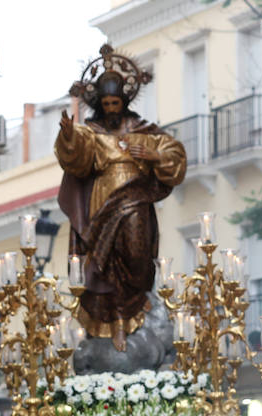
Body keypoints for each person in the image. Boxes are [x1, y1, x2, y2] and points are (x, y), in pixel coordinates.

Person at [55, 47, 187, 351]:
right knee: (105, 264)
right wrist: (67, 135)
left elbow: (176, 155)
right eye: (106, 104)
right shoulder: (92, 133)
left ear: (124, 101)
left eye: (116, 103)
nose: (111, 108)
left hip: (137, 200)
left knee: (138, 257)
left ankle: (138, 303)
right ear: (99, 104)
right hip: (102, 200)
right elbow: (75, 159)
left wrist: (154, 155)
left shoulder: (145, 131)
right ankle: (115, 320)